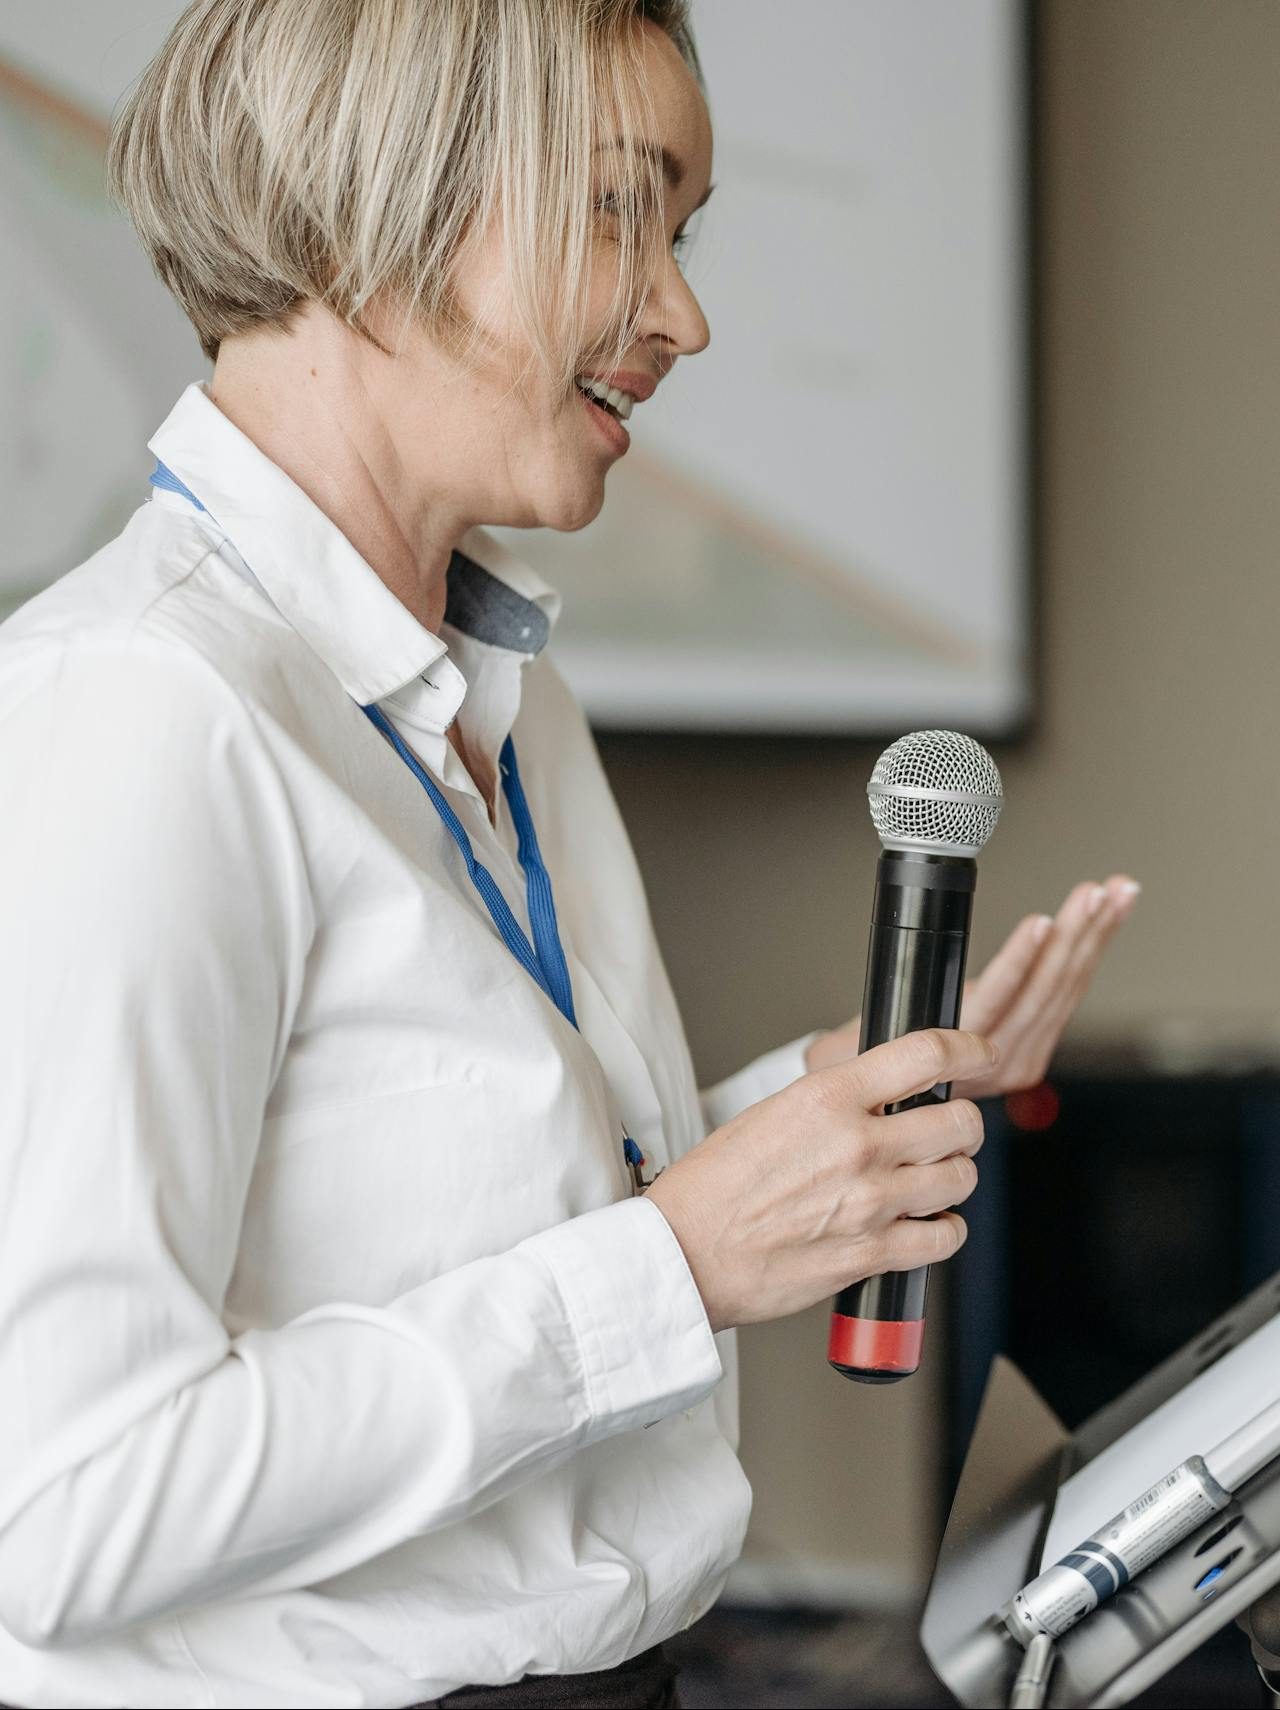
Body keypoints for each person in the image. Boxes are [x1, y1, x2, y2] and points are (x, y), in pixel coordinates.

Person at [0, 2, 1139, 1705]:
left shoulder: (515, 703)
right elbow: (66, 1508)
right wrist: (672, 1262)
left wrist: (805, 1123)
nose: (683, 310)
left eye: (679, 233)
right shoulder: (145, 711)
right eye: (620, 208)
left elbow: (449, 1210)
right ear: (381, 190)